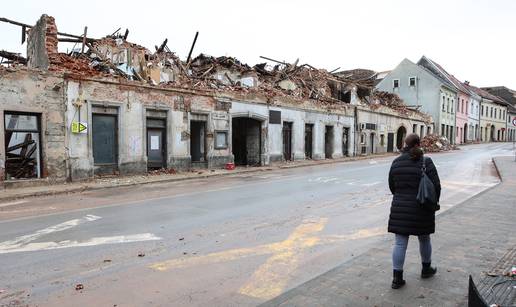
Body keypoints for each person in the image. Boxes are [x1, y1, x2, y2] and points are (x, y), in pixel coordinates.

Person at [387, 133, 441, 289]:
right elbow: (436, 186)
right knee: (424, 238)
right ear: (418, 144)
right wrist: (433, 202)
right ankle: (426, 269)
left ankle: (397, 279)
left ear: (406, 144)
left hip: (400, 207)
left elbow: (392, 186)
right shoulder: (426, 161)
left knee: (400, 243)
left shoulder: (396, 162)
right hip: (422, 206)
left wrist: (402, 197)